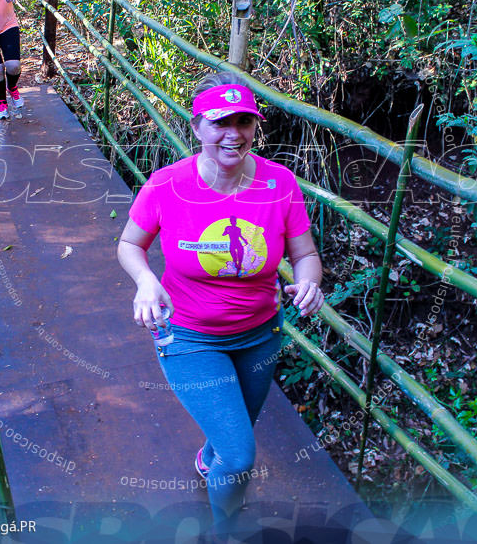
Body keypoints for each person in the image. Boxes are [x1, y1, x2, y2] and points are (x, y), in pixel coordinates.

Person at [117, 71, 325, 539]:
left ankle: (208, 459)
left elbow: (305, 254)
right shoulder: (168, 184)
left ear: (254, 126)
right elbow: (130, 244)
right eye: (220, 122)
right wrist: (146, 281)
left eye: (243, 121)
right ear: (197, 127)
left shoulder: (280, 183)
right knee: (239, 454)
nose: (233, 133)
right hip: (189, 333)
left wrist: (309, 284)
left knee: (233, 432)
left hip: (261, 332)